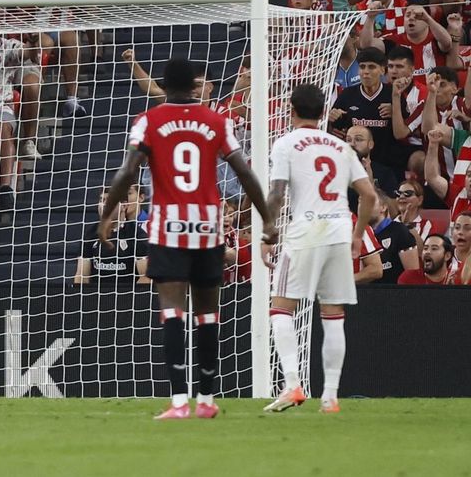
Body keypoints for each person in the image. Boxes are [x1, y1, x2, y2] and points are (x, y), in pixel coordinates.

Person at [98, 57, 277, 420]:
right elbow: (244, 171)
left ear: (164, 85)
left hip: (169, 228)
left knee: (172, 312)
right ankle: (207, 399)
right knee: (209, 315)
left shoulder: (149, 121)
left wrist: (106, 217)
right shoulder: (216, 121)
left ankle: (180, 403)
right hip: (208, 226)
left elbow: (128, 171)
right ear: (195, 88)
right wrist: (267, 219)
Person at [263, 82, 378, 415]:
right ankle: (329, 396)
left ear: (292, 110)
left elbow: (276, 194)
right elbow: (369, 195)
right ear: (323, 110)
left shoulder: (286, 143)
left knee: (281, 308)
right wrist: (357, 235)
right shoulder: (340, 146)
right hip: (340, 230)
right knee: (333, 315)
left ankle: (293, 385)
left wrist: (267, 236)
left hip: (306, 230)